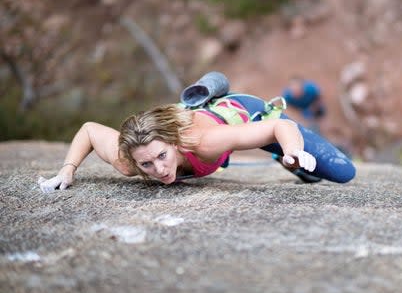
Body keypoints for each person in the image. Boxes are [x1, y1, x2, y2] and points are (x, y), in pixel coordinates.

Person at [38, 73, 355, 193]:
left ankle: (211, 91)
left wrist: (291, 150)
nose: (160, 170)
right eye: (146, 165)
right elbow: (90, 130)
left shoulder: (205, 142)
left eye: (162, 156)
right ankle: (200, 97)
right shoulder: (128, 160)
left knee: (342, 172)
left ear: (175, 143)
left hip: (244, 111)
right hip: (192, 122)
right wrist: (68, 170)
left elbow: (279, 125)